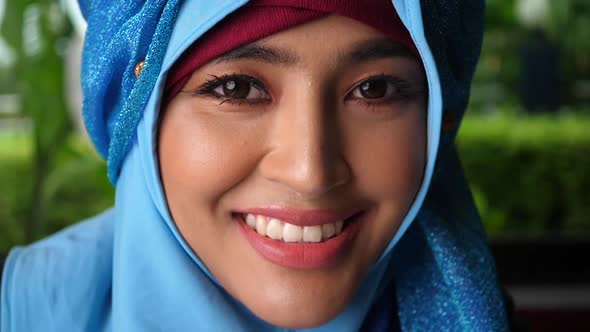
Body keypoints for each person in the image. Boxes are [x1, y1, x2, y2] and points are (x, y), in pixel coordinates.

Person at [0, 1, 509, 331]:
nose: (310, 172)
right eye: (237, 89)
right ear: (139, 117)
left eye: (374, 89)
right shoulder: (24, 312)